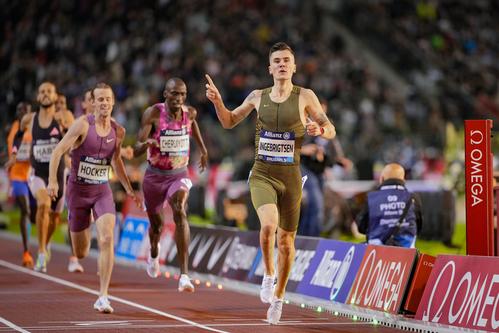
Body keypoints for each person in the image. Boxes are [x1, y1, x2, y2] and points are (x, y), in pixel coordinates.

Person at [205, 42, 336, 324]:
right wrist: (218, 103)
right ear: (270, 67)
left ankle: (278, 297)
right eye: (276, 60)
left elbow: (331, 128)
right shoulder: (257, 96)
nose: (282, 64)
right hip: (263, 174)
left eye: (287, 60)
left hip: (290, 179)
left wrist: (320, 128)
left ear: (294, 66)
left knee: (286, 242)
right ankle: (268, 273)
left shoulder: (306, 97)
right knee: (267, 227)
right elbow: (228, 122)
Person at [48, 83, 140, 313]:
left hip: (101, 191)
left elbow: (117, 160)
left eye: (108, 99)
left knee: (107, 238)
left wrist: (128, 188)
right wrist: (52, 181)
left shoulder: (118, 130)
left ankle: (103, 296)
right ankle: (84, 224)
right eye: (100, 100)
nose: (104, 103)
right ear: (92, 102)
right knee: (81, 252)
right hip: (78, 193)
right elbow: (58, 151)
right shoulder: (82, 125)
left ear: (113, 102)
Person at [134, 78, 208, 293]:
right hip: (154, 177)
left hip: (178, 175)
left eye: (183, 94)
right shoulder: (153, 114)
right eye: (174, 94)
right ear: (165, 94)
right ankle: (154, 253)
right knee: (156, 226)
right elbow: (138, 146)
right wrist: (146, 143)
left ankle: (184, 275)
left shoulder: (190, 113)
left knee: (179, 210)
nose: (179, 98)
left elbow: (193, 127)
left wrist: (203, 150)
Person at [15, 82, 74, 273]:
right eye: (42, 92)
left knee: (55, 217)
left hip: (57, 174)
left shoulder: (64, 117)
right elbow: (18, 134)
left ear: (56, 96)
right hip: (37, 173)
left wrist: (67, 137)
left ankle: (46, 244)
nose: (46, 94)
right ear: (38, 97)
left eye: (49, 91)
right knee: (43, 204)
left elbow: (77, 139)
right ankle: (40, 253)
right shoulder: (29, 119)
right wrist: (15, 152)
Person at [299, 100, 352, 237]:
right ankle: (310, 238)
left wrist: (340, 159)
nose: (319, 114)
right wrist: (304, 149)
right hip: (304, 167)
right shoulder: (301, 122)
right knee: (316, 203)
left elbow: (334, 145)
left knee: (317, 205)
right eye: (316, 110)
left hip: (319, 169)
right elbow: (288, 145)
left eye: (322, 112)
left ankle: (306, 236)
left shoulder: (327, 126)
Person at [355, 163, 422, 248]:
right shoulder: (413, 198)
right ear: (403, 180)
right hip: (407, 255)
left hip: (376, 254)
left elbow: (361, 227)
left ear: (382, 179)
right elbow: (418, 226)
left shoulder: (372, 198)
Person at [55, 93, 85, 273]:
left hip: (69, 170)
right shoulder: (47, 119)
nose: (60, 106)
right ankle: (44, 246)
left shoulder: (73, 120)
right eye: (57, 103)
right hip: (51, 169)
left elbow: (74, 145)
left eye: (63, 102)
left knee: (71, 214)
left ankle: (73, 257)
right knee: (52, 215)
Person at [5, 102, 34, 267]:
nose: (23, 113)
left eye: (27, 111)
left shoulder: (35, 130)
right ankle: (26, 252)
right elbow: (10, 148)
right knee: (25, 211)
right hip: (17, 176)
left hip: (33, 176)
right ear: (17, 113)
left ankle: (44, 246)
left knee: (41, 212)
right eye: (20, 110)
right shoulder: (13, 129)